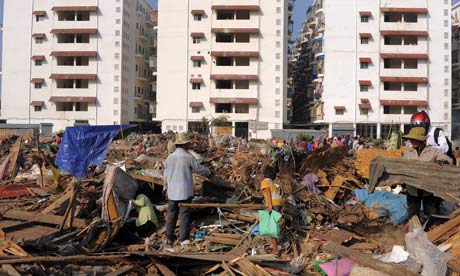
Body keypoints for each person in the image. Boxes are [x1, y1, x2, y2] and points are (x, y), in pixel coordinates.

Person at [164, 132, 212, 247]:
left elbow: (165, 175)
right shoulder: (188, 157)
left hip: (172, 192)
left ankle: (169, 237)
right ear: (185, 145)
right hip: (184, 191)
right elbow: (199, 169)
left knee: (171, 214)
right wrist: (209, 172)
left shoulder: (169, 158)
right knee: (184, 214)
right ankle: (183, 239)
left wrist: (165, 188)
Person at [402, 127, 452, 220]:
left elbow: (448, 160)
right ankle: (414, 233)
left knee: (432, 214)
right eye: (411, 139)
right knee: (413, 216)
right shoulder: (407, 152)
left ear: (421, 140)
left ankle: (432, 232)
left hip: (429, 189)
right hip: (412, 189)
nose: (412, 141)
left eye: (414, 139)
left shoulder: (433, 151)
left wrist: (443, 162)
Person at [261, 166, 283, 255]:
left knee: (271, 227)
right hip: (278, 203)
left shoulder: (264, 182)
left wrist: (269, 204)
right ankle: (274, 245)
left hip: (272, 204)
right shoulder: (273, 183)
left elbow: (267, 193)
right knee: (274, 225)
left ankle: (275, 249)